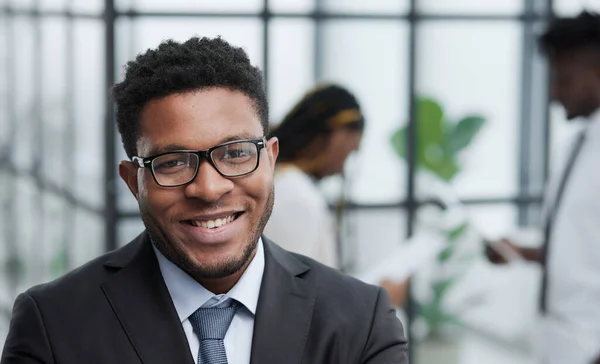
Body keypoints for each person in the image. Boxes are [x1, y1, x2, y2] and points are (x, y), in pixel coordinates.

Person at [1, 37, 408, 363]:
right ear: (132, 181)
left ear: (270, 159)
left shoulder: (363, 321)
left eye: (235, 154)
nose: (210, 189)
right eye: (173, 161)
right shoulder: (53, 327)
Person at [486, 11, 600, 364]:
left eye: (563, 80)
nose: (553, 93)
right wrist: (521, 252)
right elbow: (583, 244)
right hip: (560, 342)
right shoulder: (575, 146)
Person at [264, 84, 409, 307]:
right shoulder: (295, 195)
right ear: (336, 137)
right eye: (350, 151)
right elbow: (296, 300)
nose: (344, 167)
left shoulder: (282, 182)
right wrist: (377, 302)